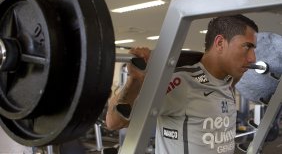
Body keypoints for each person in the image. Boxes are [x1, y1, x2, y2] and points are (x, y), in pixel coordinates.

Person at [106, 14, 258, 154]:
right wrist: (135, 80)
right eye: (247, 47)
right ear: (219, 43)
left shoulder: (227, 80)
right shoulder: (183, 83)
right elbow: (114, 122)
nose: (253, 58)